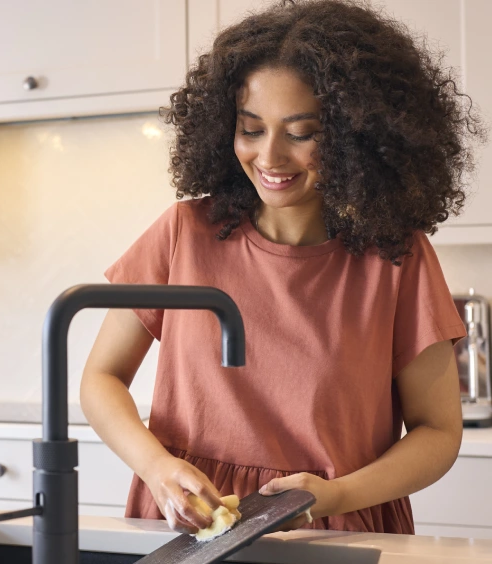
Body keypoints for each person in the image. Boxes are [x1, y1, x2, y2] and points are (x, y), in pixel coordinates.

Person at [80, 0, 484, 533]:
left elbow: (437, 433)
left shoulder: (395, 257)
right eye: (251, 129)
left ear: (357, 137)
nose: (269, 157)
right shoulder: (183, 232)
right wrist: (156, 468)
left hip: (334, 529)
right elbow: (101, 377)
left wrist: (335, 496)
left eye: (301, 133)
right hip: (189, 527)